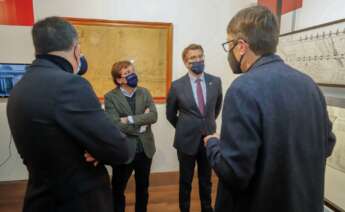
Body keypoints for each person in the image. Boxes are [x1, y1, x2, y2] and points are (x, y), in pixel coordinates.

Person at [204, 5, 336, 212]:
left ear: (241, 46)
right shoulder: (309, 85)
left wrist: (212, 144)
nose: (228, 52)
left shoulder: (243, 88)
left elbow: (234, 173)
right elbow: (327, 144)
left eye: (228, 44)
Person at [6, 17, 135, 212]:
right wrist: (101, 149)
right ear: (76, 48)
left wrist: (99, 148)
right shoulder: (70, 85)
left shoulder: (19, 87)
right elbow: (119, 149)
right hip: (77, 201)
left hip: (40, 198)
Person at [166, 44, 223, 212]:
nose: (197, 60)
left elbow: (216, 108)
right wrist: (185, 128)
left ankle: (207, 208)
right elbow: (170, 114)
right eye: (193, 58)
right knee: (185, 180)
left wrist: (207, 124)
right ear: (185, 62)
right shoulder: (177, 86)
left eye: (200, 56)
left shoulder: (215, 81)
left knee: (206, 180)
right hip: (186, 141)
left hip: (209, 140)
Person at [104, 60, 157, 212]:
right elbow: (114, 124)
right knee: (118, 190)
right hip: (124, 150)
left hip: (145, 150)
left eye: (133, 71)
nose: (132, 75)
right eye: (127, 73)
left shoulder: (144, 92)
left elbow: (153, 116)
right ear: (119, 79)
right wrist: (140, 127)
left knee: (143, 188)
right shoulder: (110, 97)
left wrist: (130, 119)